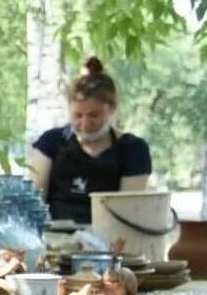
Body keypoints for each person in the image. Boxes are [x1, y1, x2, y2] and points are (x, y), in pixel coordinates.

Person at [28, 57, 152, 224]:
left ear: (112, 110)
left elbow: (129, 213)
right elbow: (33, 204)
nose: (84, 124)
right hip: (56, 236)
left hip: (109, 240)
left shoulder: (133, 150)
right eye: (77, 116)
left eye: (93, 115)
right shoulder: (51, 143)